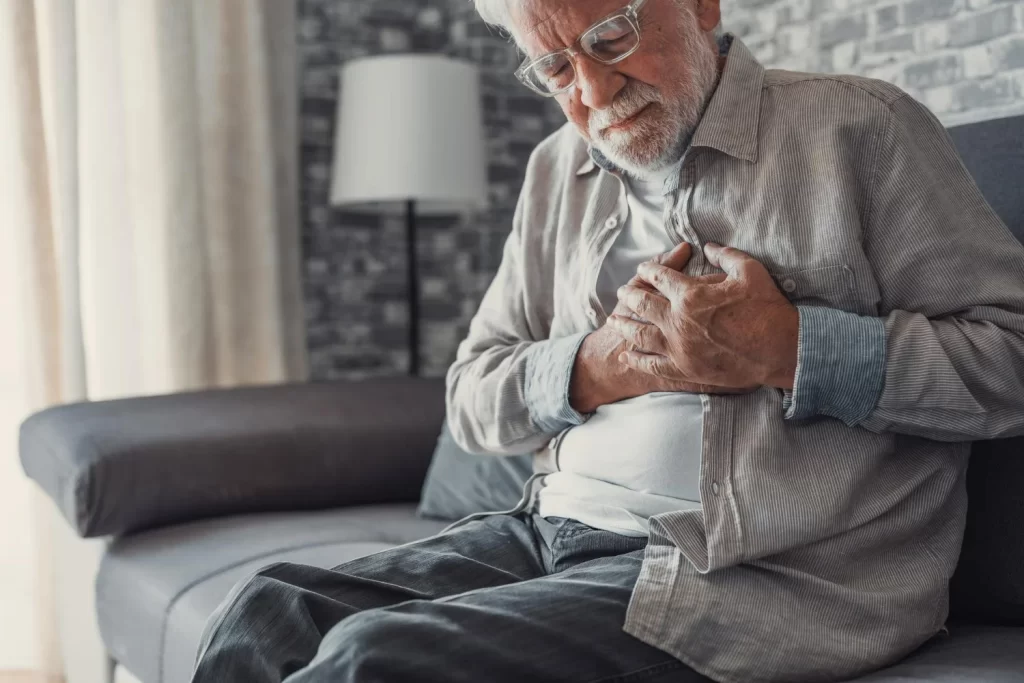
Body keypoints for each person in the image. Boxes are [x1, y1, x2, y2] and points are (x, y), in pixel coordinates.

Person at [191, 0, 1024, 681]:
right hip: (549, 528)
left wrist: (791, 346)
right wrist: (598, 367)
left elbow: (1011, 358)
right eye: (554, 67)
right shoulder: (557, 169)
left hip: (750, 573)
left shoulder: (860, 128)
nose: (591, 87)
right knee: (271, 611)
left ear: (700, 6)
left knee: (375, 661)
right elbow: (472, 397)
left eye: (611, 37)